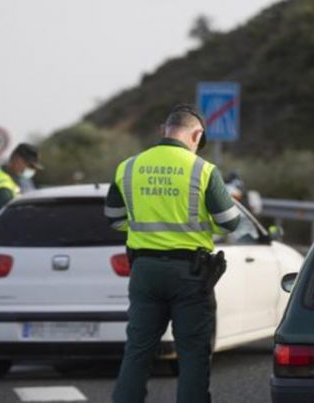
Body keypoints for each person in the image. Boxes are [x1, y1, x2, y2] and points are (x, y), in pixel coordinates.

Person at [105, 104, 240, 403]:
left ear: (164, 130)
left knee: (138, 352)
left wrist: (146, 228)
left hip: (145, 270)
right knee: (192, 354)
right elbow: (230, 221)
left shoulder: (128, 167)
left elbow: (114, 218)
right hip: (191, 274)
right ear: (196, 134)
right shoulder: (203, 170)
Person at [0, 143, 43, 225]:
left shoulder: (19, 180)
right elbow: (5, 220)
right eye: (30, 165)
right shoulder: (2, 186)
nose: (31, 170)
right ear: (17, 160)